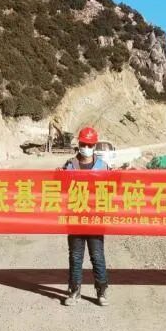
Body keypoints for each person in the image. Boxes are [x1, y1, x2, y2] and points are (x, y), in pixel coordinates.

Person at [62, 126, 110, 307]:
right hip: (75, 217)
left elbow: (113, 188)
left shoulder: (103, 166)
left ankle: (102, 291)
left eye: (89, 145)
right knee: (75, 256)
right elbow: (60, 189)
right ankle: (74, 291)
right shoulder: (69, 165)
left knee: (97, 255)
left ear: (94, 145)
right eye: (83, 144)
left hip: (95, 218)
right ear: (79, 144)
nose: (86, 147)